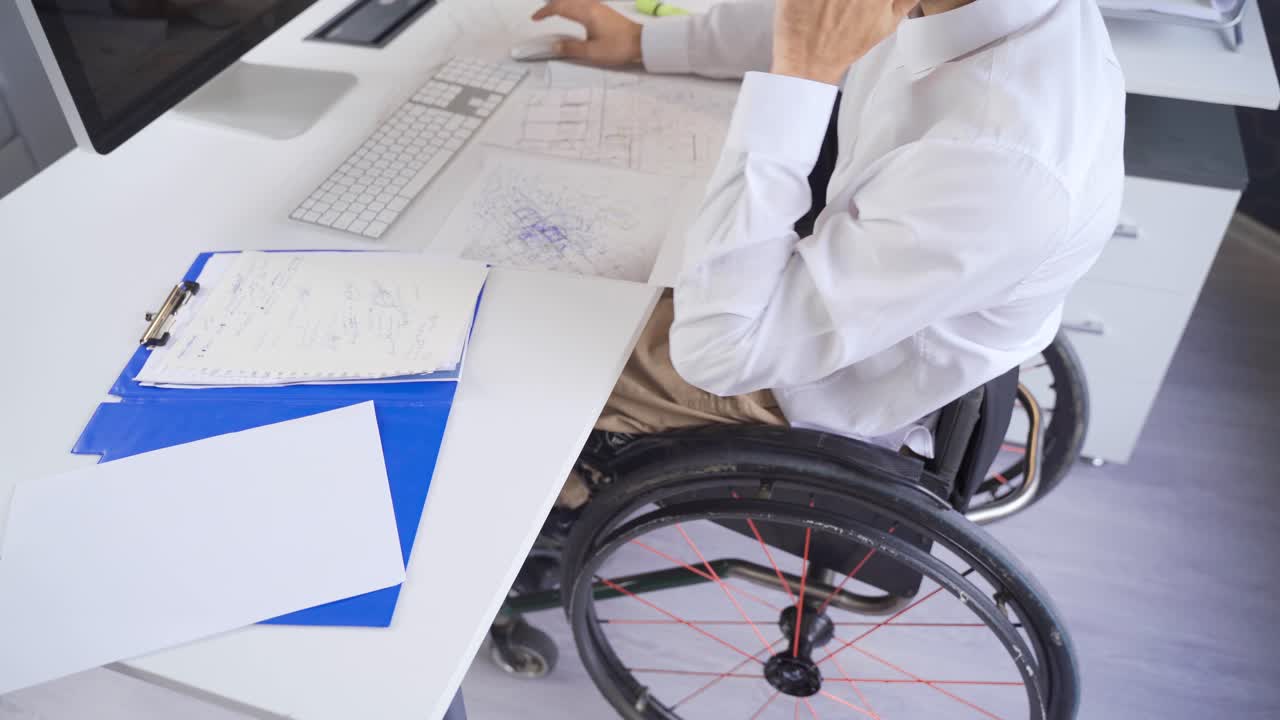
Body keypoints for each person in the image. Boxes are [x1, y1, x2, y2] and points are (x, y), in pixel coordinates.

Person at [538, 0, 1125, 506]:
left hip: (797, 376)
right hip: (839, 283)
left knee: (518, 335)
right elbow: (815, 21)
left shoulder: (1004, 165)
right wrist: (649, 40)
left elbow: (717, 353)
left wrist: (801, 79)